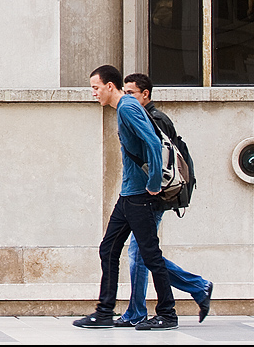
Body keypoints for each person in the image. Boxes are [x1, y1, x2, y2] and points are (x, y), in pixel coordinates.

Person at [74, 65, 178, 331]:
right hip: (128, 195)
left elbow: (153, 143)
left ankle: (167, 313)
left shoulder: (127, 107)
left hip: (140, 196)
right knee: (108, 249)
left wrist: (154, 183)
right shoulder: (126, 107)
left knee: (151, 255)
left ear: (110, 86)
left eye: (96, 88)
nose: (93, 93)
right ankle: (105, 312)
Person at [115, 72, 213, 327]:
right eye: (124, 92)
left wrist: (152, 186)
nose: (126, 98)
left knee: (142, 255)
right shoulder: (140, 116)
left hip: (152, 198)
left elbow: (161, 157)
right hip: (143, 196)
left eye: (131, 93)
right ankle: (196, 287)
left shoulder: (156, 119)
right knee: (143, 254)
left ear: (145, 94)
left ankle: (143, 309)